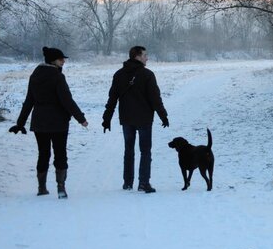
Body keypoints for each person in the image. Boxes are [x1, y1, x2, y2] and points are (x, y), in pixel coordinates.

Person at [9, 47, 89, 198]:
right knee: (60, 153)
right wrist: (81, 119)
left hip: (39, 122)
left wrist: (20, 123)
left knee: (43, 153)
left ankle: (41, 187)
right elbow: (67, 100)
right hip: (58, 121)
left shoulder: (35, 75)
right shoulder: (58, 77)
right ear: (53, 61)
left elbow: (29, 101)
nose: (63, 61)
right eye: (61, 59)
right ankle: (61, 187)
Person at [102, 45, 169, 193]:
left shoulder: (119, 74)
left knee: (128, 150)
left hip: (126, 118)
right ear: (137, 57)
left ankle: (127, 182)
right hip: (144, 119)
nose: (147, 58)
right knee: (145, 151)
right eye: (145, 55)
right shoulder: (147, 75)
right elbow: (155, 98)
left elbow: (112, 98)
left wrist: (107, 118)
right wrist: (163, 115)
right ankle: (144, 183)